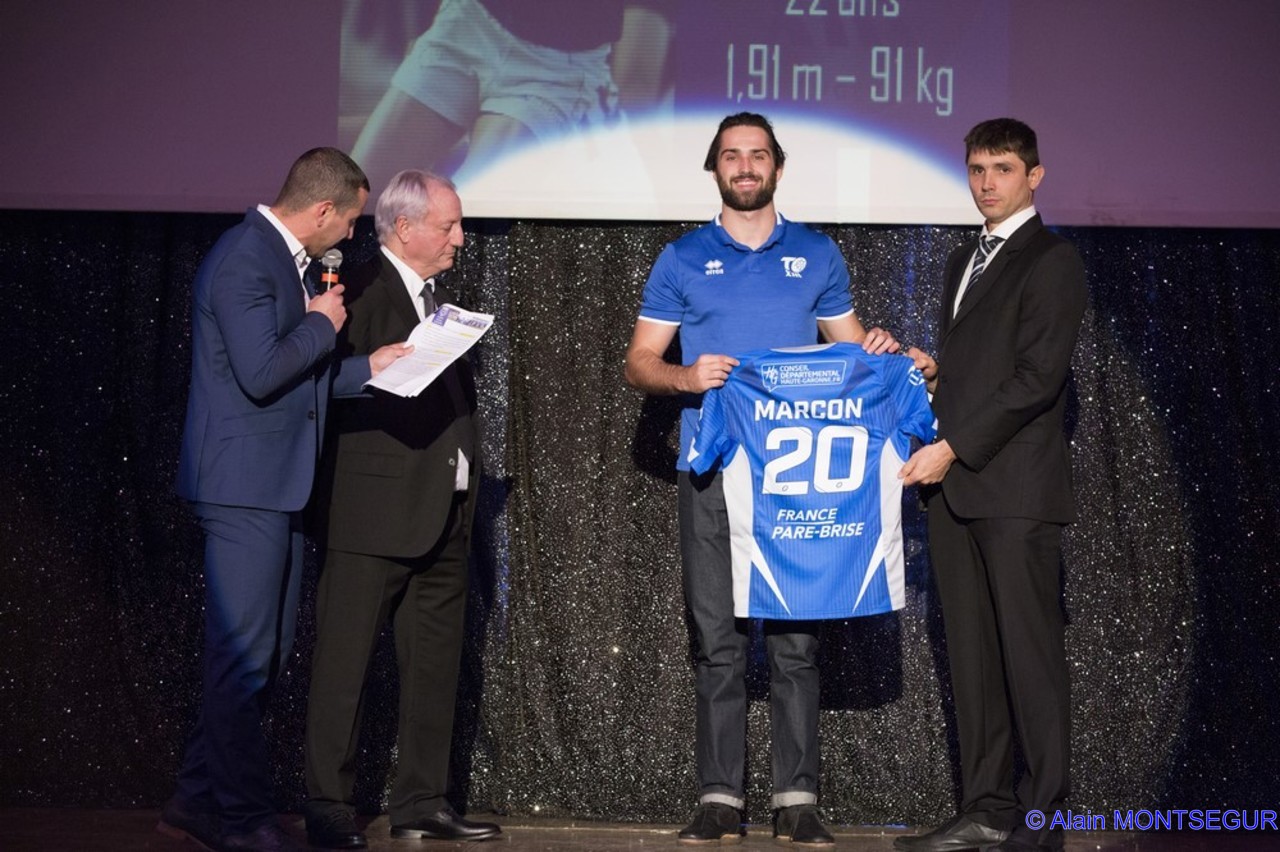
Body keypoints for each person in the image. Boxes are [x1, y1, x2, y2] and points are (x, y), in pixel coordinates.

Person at [623, 112, 897, 847]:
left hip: (795, 476)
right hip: (712, 468)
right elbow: (639, 362)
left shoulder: (816, 253)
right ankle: (719, 800)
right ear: (713, 167)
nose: (745, 167)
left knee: (796, 643)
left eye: (757, 155)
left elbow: (853, 356)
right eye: (731, 156)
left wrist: (888, 355)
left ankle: (797, 801)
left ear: (778, 165)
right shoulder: (682, 258)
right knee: (717, 639)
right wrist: (685, 376)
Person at [158, 148, 410, 852]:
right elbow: (263, 373)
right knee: (242, 657)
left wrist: (367, 367)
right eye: (352, 220)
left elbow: (298, 380)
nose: (353, 234)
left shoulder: (282, 261)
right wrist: (323, 322)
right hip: (242, 487)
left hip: (277, 486)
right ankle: (241, 817)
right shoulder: (246, 258)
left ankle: (195, 799)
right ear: (323, 209)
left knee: (264, 655)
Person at [897, 118, 1087, 852]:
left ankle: (1042, 822)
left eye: (1002, 169)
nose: (986, 183)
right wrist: (936, 375)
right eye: (977, 168)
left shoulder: (1053, 259)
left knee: (1028, 659)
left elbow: (1037, 378)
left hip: (1014, 492)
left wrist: (949, 447)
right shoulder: (962, 259)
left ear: (1034, 176)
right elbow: (987, 367)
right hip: (958, 492)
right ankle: (986, 808)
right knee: (973, 661)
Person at [302, 170, 500, 848]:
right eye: (448, 226)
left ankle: (422, 801)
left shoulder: (437, 301)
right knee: (345, 667)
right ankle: (328, 804)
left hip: (443, 513)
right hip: (371, 514)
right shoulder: (354, 290)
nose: (460, 238)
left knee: (434, 670)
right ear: (405, 227)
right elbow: (316, 387)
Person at [348, 0, 675, 194]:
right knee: (360, 195)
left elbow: (637, 83)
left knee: (471, 213)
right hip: (469, 20)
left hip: (556, 68)